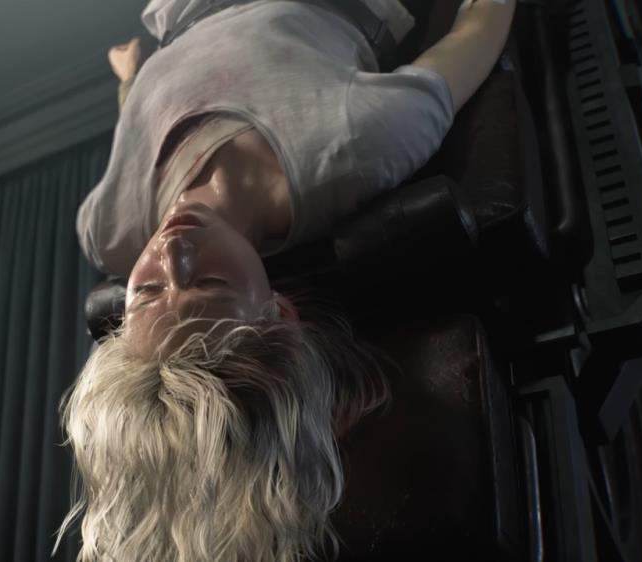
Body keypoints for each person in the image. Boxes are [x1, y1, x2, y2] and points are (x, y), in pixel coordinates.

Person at [57, 1, 517, 561]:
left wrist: (132, 80)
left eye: (149, 291)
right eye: (209, 285)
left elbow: (135, 123)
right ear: (279, 311)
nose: (172, 253)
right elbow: (479, 27)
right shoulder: (360, 146)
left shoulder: (107, 230)